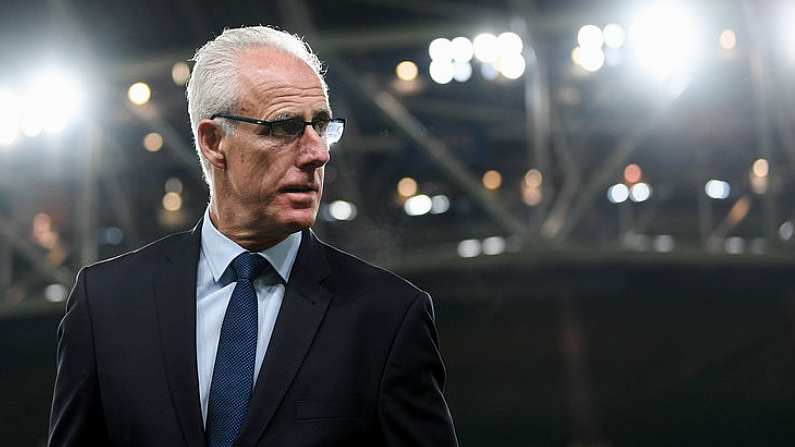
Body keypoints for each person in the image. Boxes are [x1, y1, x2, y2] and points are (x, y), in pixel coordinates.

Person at [48, 25, 458, 447]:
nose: (318, 152)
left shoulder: (387, 316)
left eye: (321, 124)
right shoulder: (106, 302)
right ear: (213, 142)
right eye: (285, 127)